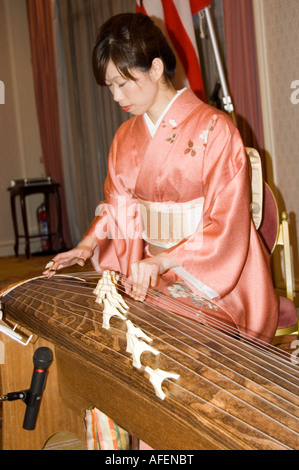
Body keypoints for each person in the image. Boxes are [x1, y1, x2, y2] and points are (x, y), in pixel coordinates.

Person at [44, 12, 278, 344]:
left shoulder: (215, 129)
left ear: (155, 69)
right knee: (108, 327)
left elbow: (227, 223)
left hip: (217, 276)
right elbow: (120, 211)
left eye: (122, 83)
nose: (116, 97)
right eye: (110, 86)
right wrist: (86, 245)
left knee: (166, 338)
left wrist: (164, 260)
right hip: (153, 271)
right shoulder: (125, 138)